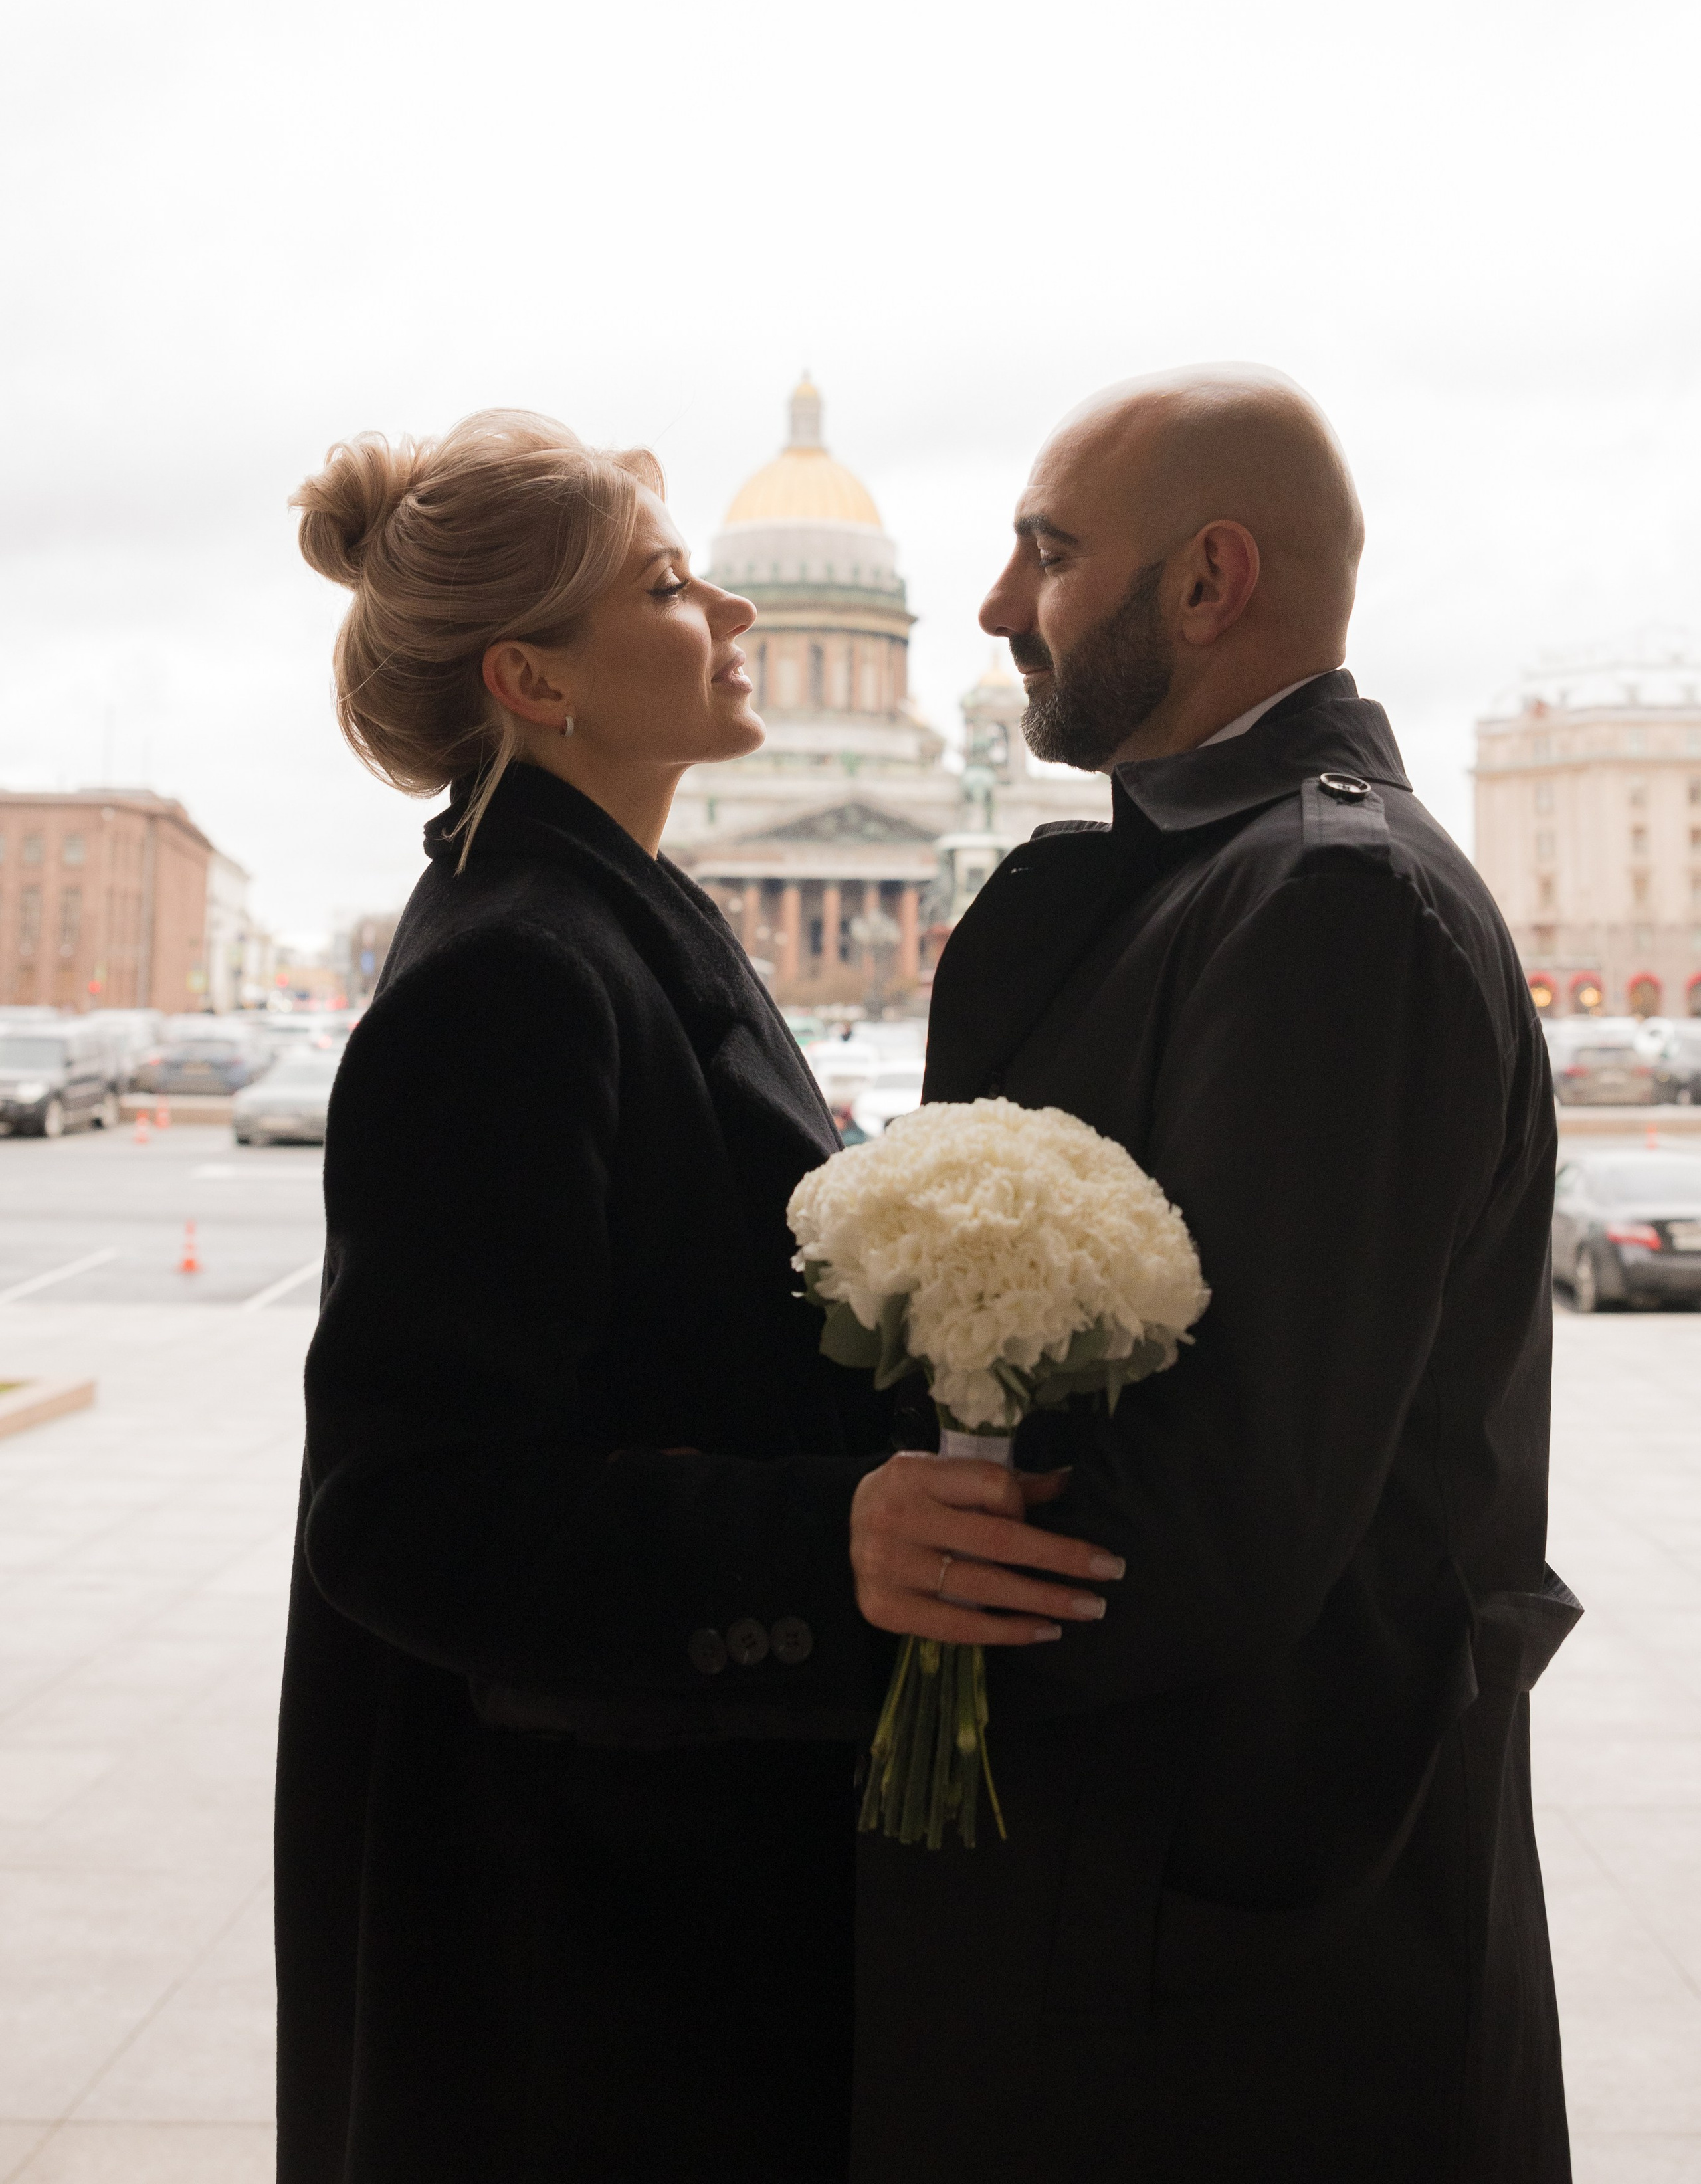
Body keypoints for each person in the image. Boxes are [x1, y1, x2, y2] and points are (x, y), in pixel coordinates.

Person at [273, 410, 1112, 2183]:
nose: (730, 607)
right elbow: (405, 1509)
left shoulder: (614, 920)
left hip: (642, 1877)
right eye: (667, 584)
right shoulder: (514, 974)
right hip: (586, 1938)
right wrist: (825, 1543)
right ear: (535, 678)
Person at [852, 367, 1578, 2183]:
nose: (1004, 606)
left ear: (1207, 582)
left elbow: (1229, 1513)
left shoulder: (1328, 901)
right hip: (1166, 1913)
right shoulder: (1227, 875)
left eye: (1048, 552)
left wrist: (892, 1587)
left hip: (1245, 1964)